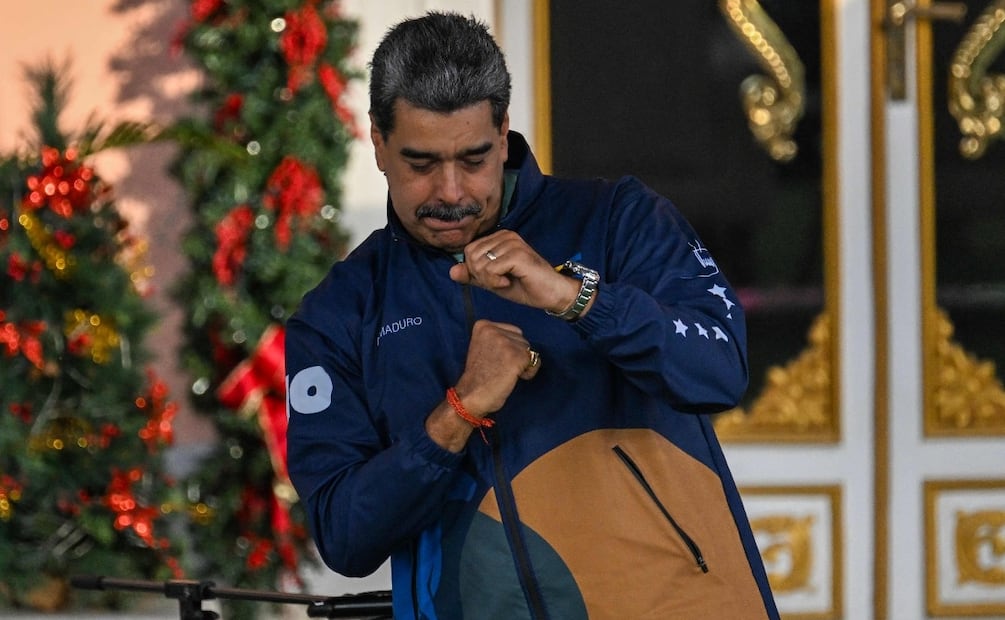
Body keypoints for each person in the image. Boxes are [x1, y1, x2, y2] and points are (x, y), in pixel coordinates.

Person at [285, 11, 779, 620]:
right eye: (421, 164)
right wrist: (458, 411)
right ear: (379, 143)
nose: (451, 192)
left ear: (503, 134)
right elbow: (345, 536)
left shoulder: (619, 218)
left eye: (473, 159)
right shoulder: (339, 311)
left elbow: (719, 370)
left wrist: (577, 299)